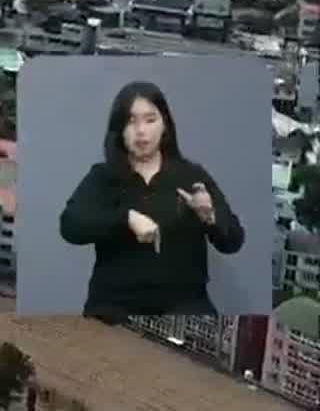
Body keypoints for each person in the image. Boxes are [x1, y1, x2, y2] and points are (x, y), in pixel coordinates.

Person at [58, 80, 244, 317]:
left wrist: (210, 217)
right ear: (119, 130)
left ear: (165, 125)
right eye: (130, 121)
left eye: (150, 120)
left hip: (184, 306)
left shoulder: (191, 176)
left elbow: (234, 241)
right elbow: (70, 226)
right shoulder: (103, 177)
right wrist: (125, 219)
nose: (141, 131)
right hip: (114, 306)